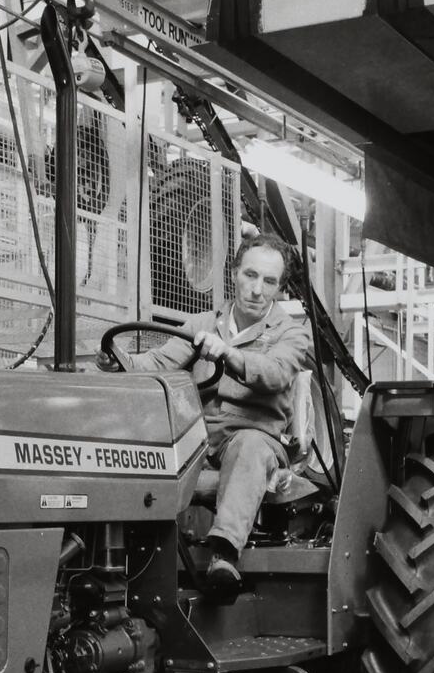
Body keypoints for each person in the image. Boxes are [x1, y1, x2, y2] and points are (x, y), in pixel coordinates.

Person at [110, 232, 312, 590]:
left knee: (248, 446)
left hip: (255, 440)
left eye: (269, 282)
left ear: (280, 289)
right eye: (251, 275)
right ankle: (124, 559)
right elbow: (158, 362)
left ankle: (224, 557)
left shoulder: (291, 334)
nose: (257, 289)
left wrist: (228, 354)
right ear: (234, 273)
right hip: (200, 442)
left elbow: (276, 374)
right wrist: (118, 361)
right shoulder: (201, 325)